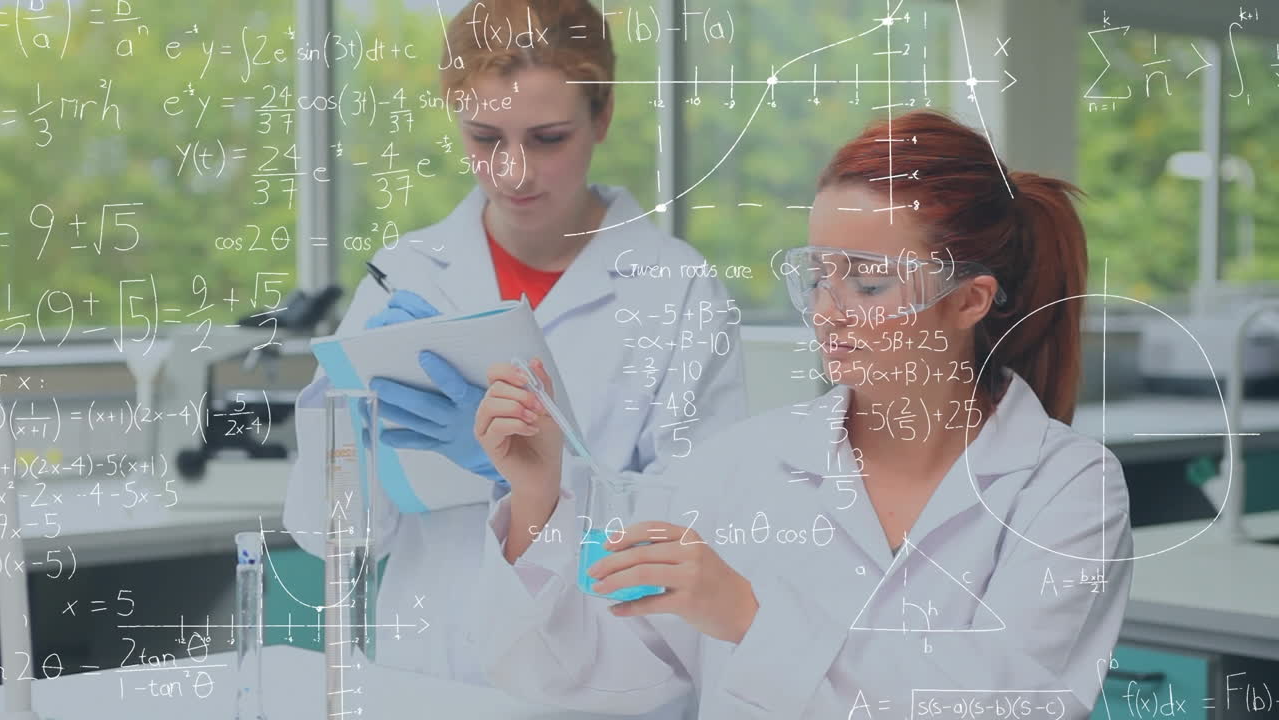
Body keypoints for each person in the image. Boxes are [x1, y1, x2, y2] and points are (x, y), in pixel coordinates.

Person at [472, 109, 1133, 719]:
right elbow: (579, 676)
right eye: (819, 274)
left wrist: (753, 619)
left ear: (969, 300)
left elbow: (1004, 705)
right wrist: (535, 501)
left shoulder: (1066, 488)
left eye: (868, 282)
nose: (827, 309)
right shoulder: (745, 464)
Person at [282, 0, 746, 699]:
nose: (513, 170)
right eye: (483, 136)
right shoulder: (404, 276)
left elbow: (698, 539)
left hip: (597, 695)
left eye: (549, 137)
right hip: (424, 685)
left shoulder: (678, 294)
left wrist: (539, 481)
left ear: (603, 116)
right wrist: (347, 428)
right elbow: (328, 536)